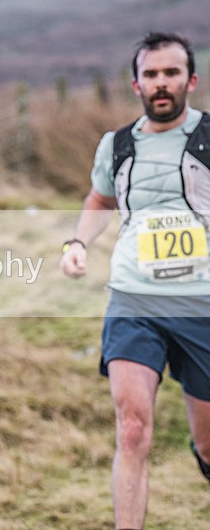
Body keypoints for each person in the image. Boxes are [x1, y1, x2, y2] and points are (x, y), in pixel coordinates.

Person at [61, 31, 210, 530]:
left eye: (171, 73)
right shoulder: (117, 145)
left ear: (191, 79)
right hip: (134, 299)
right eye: (151, 74)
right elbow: (99, 201)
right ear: (136, 84)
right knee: (132, 429)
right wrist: (78, 243)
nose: (161, 83)